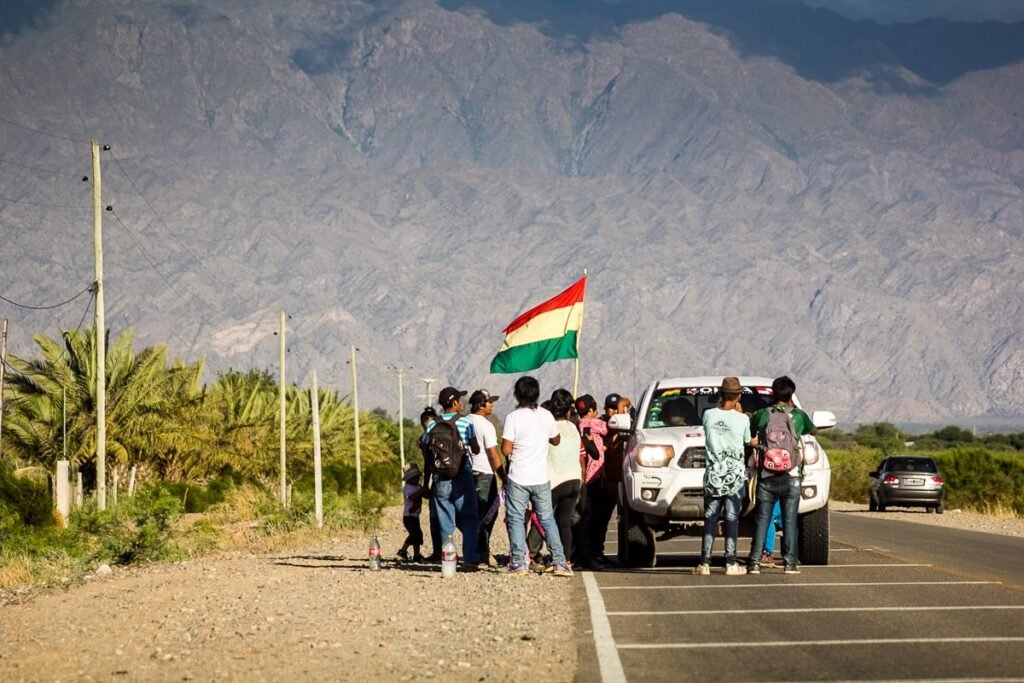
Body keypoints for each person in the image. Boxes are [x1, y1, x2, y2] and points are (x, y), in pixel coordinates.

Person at [501, 376, 573, 576]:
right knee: (547, 519)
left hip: (518, 477)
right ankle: (560, 562)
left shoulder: (513, 418)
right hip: (540, 477)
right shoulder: (546, 416)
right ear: (537, 394)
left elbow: (506, 449)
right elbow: (556, 440)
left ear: (517, 394)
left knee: (516, 519)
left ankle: (518, 562)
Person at [746, 375, 817, 575]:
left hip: (766, 476)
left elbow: (752, 433)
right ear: (791, 394)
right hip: (792, 475)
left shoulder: (762, 414)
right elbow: (813, 431)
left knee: (762, 519)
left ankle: (754, 562)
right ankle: (789, 563)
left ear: (773, 393)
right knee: (790, 520)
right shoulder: (799, 415)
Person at [694, 377, 752, 576]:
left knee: (710, 517)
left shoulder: (708, 415)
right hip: (734, 476)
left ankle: (704, 562)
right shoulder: (743, 419)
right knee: (731, 518)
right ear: (738, 395)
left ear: (721, 394)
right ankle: (731, 562)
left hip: (713, 474)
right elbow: (747, 440)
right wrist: (740, 414)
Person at [423, 387, 482, 569]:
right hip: (462, 474)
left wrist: (426, 483)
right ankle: (471, 559)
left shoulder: (433, 425)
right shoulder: (465, 422)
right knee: (470, 517)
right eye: (460, 400)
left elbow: (426, 453)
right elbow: (476, 449)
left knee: (445, 519)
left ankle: (449, 559)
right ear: (455, 403)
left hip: (440, 476)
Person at [468, 389, 504, 568]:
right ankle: (482, 552)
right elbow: (492, 454)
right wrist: (503, 476)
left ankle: (473, 551)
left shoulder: (464, 421)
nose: (492, 404)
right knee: (488, 514)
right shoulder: (486, 426)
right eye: (489, 402)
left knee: (471, 515)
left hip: (467, 474)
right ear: (481, 405)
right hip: (484, 473)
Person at [418, 407, 442, 561]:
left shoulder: (426, 437)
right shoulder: (451, 427)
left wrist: (425, 485)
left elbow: (428, 464)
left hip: (439, 480)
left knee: (436, 517)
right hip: (459, 478)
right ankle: (475, 551)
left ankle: (438, 552)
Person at [397, 464, 427, 562]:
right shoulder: (408, 487)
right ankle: (403, 550)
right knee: (414, 534)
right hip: (409, 516)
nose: (417, 479)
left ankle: (417, 554)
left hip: (415, 516)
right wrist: (421, 491)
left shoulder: (417, 486)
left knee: (418, 535)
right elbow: (411, 497)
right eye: (414, 477)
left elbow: (424, 495)